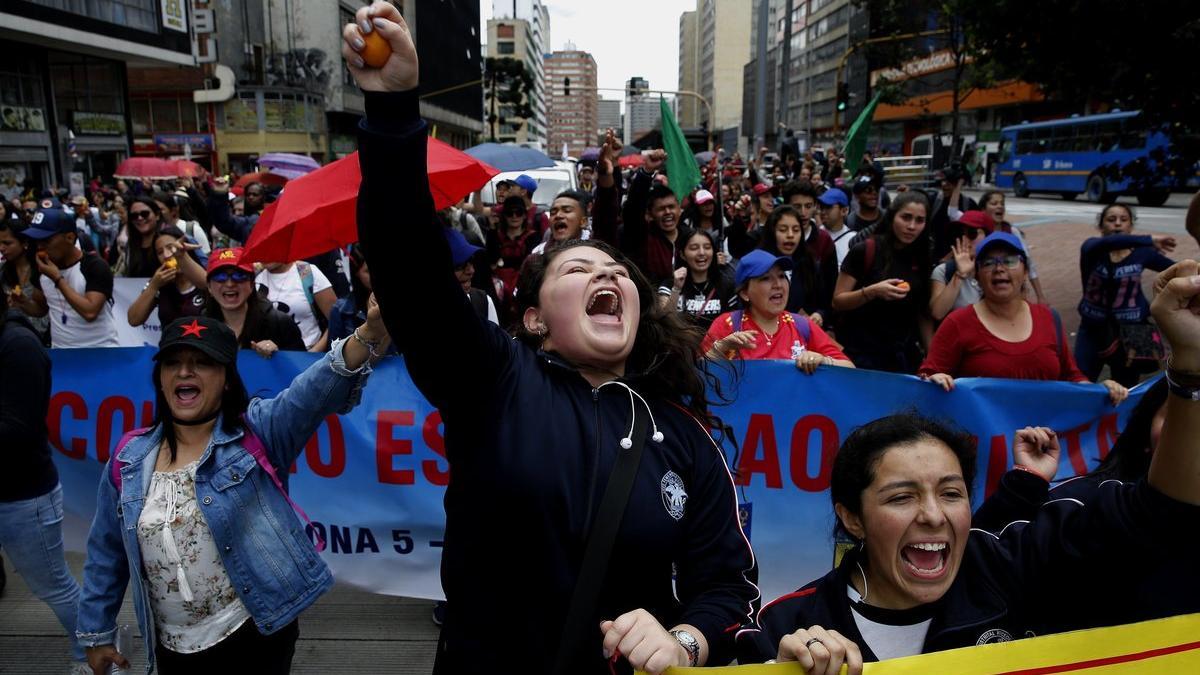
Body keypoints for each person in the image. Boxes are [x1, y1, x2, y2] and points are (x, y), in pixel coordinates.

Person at [343, 7, 758, 672]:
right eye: (577, 267)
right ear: (534, 318)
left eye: (615, 271)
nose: (603, 274)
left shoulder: (686, 437)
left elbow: (729, 589)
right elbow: (408, 269)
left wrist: (684, 640)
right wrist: (392, 110)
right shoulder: (495, 383)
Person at [738, 253, 1200, 667]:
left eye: (951, 493)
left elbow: (1161, 517)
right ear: (852, 518)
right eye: (902, 497)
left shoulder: (1010, 566)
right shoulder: (791, 625)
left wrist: (1191, 372)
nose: (934, 515)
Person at [77, 311, 388, 674]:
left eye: (202, 363)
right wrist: (96, 634)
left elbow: (316, 390)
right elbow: (106, 551)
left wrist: (370, 330)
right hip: (171, 646)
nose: (184, 372)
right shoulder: (128, 459)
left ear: (225, 379)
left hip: (255, 634)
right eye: (173, 363)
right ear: (160, 379)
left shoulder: (260, 432)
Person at [918, 232, 1128, 404]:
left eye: (1009, 261)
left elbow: (1071, 376)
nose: (999, 268)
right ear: (978, 276)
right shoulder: (958, 323)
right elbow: (927, 378)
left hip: (1044, 447)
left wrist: (1101, 391)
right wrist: (934, 380)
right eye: (989, 262)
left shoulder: (1048, 318)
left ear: (1026, 271)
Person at [0, 293, 87, 672]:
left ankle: (94, 651)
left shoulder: (19, 347)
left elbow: (19, 429)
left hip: (22, 497)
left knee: (53, 585)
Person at [1073, 203, 1176, 386]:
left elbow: (1175, 268)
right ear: (1101, 226)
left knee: (1127, 387)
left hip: (1132, 332)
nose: (1118, 224)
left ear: (1130, 225)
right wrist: (1148, 239)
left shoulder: (1142, 254)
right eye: (1111, 220)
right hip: (1093, 329)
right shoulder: (1091, 249)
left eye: (1123, 219)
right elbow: (1109, 242)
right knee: (1081, 381)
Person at [701, 250, 852, 373]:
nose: (778, 284)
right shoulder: (727, 325)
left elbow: (850, 368)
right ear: (745, 293)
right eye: (766, 278)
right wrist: (721, 349)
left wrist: (823, 361)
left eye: (781, 276)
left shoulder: (801, 324)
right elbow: (698, 374)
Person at [831, 192, 933, 373]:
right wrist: (872, 292)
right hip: (862, 355)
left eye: (919, 220)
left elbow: (923, 313)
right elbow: (838, 301)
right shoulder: (866, 250)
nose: (911, 226)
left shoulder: (923, 257)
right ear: (892, 216)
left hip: (903, 357)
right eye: (906, 217)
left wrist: (932, 360)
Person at [24, 208, 118, 348]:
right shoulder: (42, 267)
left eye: (46, 241)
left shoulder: (95, 266)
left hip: (100, 352)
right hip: (62, 354)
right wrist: (22, 303)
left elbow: (90, 312)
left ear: (69, 237)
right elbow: (41, 308)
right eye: (37, 241)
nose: (40, 247)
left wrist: (58, 279)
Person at [202, 248, 305, 358]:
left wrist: (278, 355)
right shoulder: (202, 325)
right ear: (209, 287)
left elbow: (303, 368)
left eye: (239, 276)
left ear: (252, 284)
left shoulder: (279, 323)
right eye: (220, 277)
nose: (230, 284)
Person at [127, 226, 209, 329]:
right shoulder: (159, 283)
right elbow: (134, 319)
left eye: (170, 247)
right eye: (160, 252)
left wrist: (182, 257)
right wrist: (153, 286)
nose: (166, 255)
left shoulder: (203, 276)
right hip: (170, 343)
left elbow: (208, 285)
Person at [975, 190, 1048, 305]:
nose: (1000, 206)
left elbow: (1029, 262)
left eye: (1002, 204)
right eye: (994, 203)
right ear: (983, 210)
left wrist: (1040, 296)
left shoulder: (1012, 231)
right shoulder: (976, 233)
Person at [660, 229, 738, 332]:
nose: (701, 253)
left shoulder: (727, 284)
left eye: (707, 247)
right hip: (681, 345)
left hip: (718, 345)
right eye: (694, 248)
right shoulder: (670, 284)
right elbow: (663, 320)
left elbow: (735, 325)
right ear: (682, 254)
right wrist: (676, 289)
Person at [255, 259, 336, 352]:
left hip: (310, 353)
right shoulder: (252, 278)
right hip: (269, 357)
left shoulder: (307, 272)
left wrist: (314, 351)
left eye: (271, 247)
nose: (266, 253)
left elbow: (335, 319)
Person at [927, 210, 992, 322]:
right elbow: (937, 313)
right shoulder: (944, 271)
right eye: (960, 235)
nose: (965, 240)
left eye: (972, 233)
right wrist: (960, 275)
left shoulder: (999, 269)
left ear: (988, 237)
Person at [0, 218, 50, 344]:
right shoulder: (2, 272)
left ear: (24, 242)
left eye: (7, 243)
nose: (1, 248)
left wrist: (24, 303)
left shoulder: (43, 269)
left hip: (45, 339)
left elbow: (44, 310)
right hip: (12, 339)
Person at [112, 197, 165, 278]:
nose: (140, 218)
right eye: (134, 216)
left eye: (145, 214)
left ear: (157, 215)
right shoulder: (130, 246)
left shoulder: (168, 240)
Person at [533, 189, 591, 255]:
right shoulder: (537, 255)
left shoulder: (597, 249)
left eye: (567, 210)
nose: (558, 215)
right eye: (553, 212)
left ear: (583, 221)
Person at [818, 188, 855, 266]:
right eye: (821, 207)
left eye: (828, 207)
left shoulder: (854, 239)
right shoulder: (814, 235)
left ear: (844, 210)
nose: (823, 212)